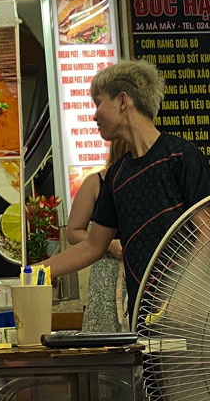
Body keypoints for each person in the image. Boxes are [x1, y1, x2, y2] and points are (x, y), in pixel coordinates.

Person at [44, 60, 210, 312]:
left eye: (98, 102)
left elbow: (207, 232)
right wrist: (32, 273)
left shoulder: (181, 156)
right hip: (142, 315)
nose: (94, 115)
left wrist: (185, 293)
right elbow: (93, 246)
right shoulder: (116, 177)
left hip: (191, 313)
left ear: (123, 101)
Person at [65, 137, 129, 332]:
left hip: (143, 270)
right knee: (104, 333)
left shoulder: (150, 183)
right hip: (106, 272)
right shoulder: (96, 182)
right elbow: (73, 232)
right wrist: (109, 244)